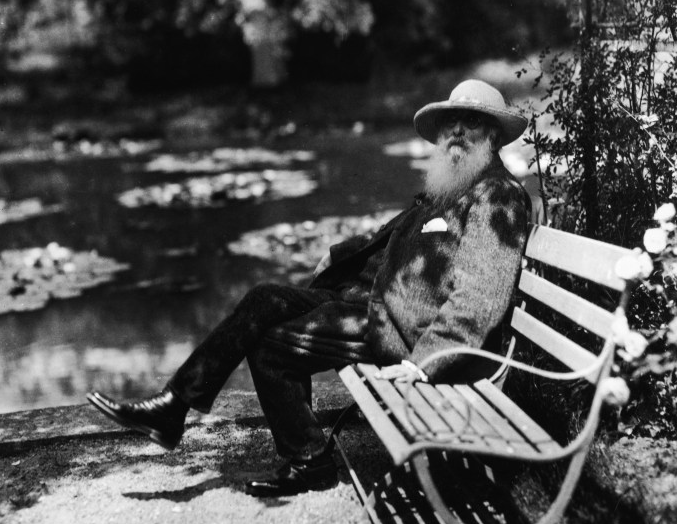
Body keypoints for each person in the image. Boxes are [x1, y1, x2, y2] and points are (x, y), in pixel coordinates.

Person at [87, 79, 531, 497]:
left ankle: (310, 462)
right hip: (371, 301)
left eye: (470, 121)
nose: (456, 131)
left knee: (272, 347)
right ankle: (174, 405)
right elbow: (389, 235)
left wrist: (424, 363)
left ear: (492, 133)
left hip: (402, 331)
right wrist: (338, 256)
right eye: (450, 121)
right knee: (265, 297)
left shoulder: (497, 198)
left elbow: (481, 297)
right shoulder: (450, 188)